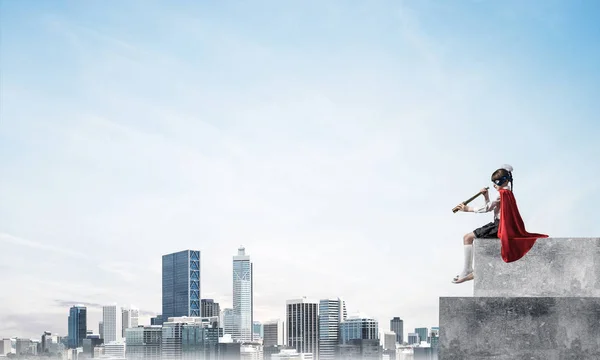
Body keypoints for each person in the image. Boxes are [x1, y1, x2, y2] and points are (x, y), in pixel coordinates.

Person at [451, 164, 548, 284]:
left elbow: (487, 208)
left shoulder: (501, 194)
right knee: (473, 239)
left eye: (496, 182)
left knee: (467, 237)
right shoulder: (507, 193)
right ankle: (472, 270)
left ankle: (467, 270)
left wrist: (467, 209)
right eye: (493, 183)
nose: (494, 185)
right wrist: (486, 196)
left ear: (505, 181)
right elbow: (492, 208)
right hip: (499, 224)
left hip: (498, 226)